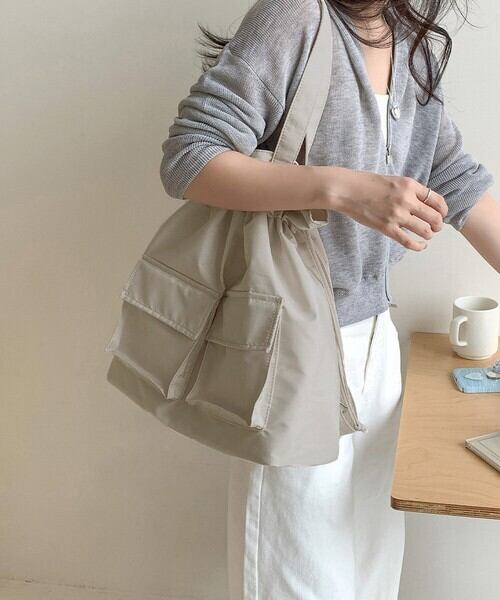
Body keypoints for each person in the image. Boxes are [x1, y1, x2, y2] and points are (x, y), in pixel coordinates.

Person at [159, 0, 500, 597]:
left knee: (370, 567)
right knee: (297, 575)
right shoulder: (295, 15)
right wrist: (343, 190)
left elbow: (453, 176)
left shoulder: (410, 40)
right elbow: (189, 159)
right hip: (294, 339)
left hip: (375, 343)